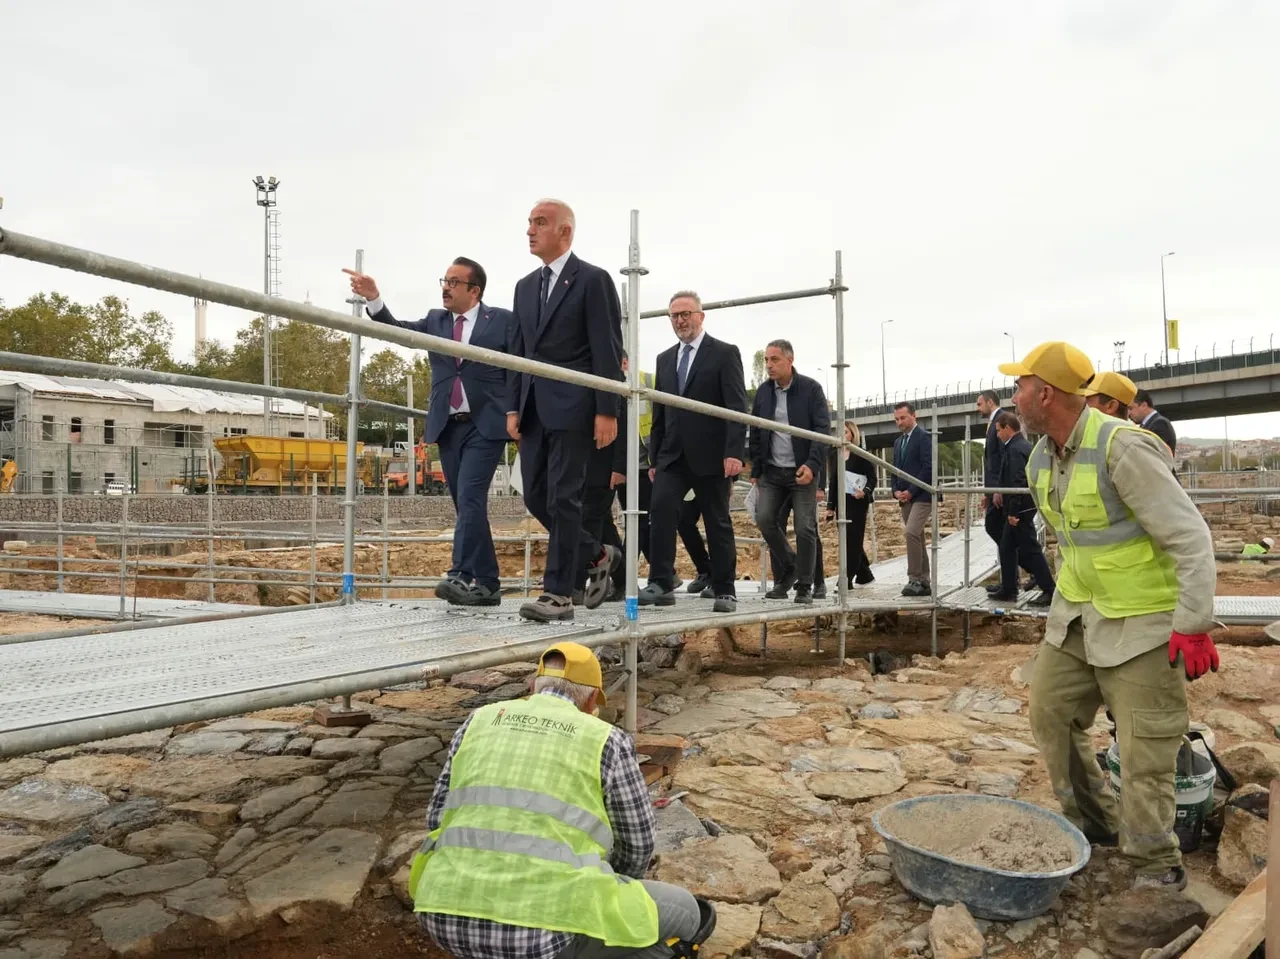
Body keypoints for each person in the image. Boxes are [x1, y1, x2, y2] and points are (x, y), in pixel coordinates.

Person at [1000, 341, 1216, 891]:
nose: (1014, 395)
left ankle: (1154, 864)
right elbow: (1075, 543)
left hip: (1142, 622)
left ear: (1044, 394)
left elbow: (1191, 538)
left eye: (1020, 385)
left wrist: (1192, 624)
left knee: (1146, 747)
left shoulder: (1124, 448)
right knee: (1050, 714)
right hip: (1077, 614)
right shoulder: (1041, 455)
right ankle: (1096, 825)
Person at [409, 642, 716, 959]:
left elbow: (437, 818)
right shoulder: (606, 739)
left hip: (442, 914)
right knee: (690, 914)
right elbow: (636, 846)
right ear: (592, 700)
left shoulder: (477, 721)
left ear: (531, 687)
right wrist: (612, 885)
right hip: (539, 936)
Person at [344, 257, 514, 607]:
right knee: (466, 505)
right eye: (444, 280)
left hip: (487, 424)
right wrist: (375, 298)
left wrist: (516, 414)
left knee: (469, 498)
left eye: (454, 282)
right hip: (448, 426)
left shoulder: (503, 321)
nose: (446, 287)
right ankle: (489, 584)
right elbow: (397, 330)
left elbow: (519, 370)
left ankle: (460, 574)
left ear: (474, 290)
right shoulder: (435, 320)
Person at [507, 200, 623, 622]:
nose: (530, 230)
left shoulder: (593, 280)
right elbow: (518, 352)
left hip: (576, 405)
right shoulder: (524, 287)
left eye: (540, 223)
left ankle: (557, 594)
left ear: (565, 232)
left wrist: (607, 409)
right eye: (529, 223)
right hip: (533, 407)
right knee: (537, 495)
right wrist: (512, 406)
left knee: (565, 497)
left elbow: (606, 347)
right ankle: (595, 553)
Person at [640, 291, 747, 614]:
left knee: (717, 521)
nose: (680, 320)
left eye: (686, 313)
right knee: (659, 512)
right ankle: (661, 581)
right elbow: (660, 413)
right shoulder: (664, 359)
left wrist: (733, 452)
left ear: (701, 316)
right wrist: (654, 458)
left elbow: (736, 406)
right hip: (672, 456)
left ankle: (725, 588)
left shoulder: (724, 354)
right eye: (674, 315)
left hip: (711, 455)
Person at [748, 340, 830, 605]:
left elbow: (821, 430)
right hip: (772, 472)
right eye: (767, 361)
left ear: (790, 360)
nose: (769, 365)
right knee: (764, 518)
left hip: (801, 471)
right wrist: (757, 469)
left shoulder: (810, 389)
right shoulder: (763, 392)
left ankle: (805, 585)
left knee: (805, 527)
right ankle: (791, 566)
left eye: (775, 360)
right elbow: (757, 431)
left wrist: (813, 465)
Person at [987, 411, 1055, 606]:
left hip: (1020, 509)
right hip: (1022, 507)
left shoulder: (1015, 449)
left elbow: (1018, 481)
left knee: (1031, 548)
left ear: (1008, 429)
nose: (998, 435)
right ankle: (1009, 589)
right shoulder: (1020, 446)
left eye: (999, 431)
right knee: (1007, 547)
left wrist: (1013, 513)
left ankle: (1049, 589)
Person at [890, 402, 934, 597]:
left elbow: (928, 468)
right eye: (896, 419)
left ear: (914, 416)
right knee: (917, 536)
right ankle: (925, 581)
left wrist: (911, 491)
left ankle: (914, 578)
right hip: (905, 498)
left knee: (911, 533)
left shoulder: (924, 438)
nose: (899, 422)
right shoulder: (898, 442)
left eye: (903, 418)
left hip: (922, 495)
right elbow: (894, 469)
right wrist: (895, 491)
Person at [826, 421, 876, 588]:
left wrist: (866, 492)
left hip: (857, 502)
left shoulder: (861, 454)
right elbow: (833, 481)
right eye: (840, 432)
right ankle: (864, 574)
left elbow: (872, 477)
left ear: (853, 434)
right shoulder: (834, 454)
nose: (842, 435)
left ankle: (846, 579)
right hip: (842, 503)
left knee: (852, 540)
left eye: (846, 432)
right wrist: (830, 507)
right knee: (847, 539)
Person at [976, 390, 1006, 548]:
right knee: (997, 529)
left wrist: (998, 488)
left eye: (979, 404)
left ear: (990, 402)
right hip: (993, 489)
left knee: (994, 527)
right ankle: (1011, 564)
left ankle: (1018, 563)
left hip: (999, 489)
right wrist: (987, 493)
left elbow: (1003, 457)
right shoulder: (993, 422)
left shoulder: (1001, 420)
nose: (977, 408)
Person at [1128, 389, 1177, 454]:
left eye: (1131, 408)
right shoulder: (1150, 424)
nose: (1129, 413)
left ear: (1144, 405)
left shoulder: (1160, 424)